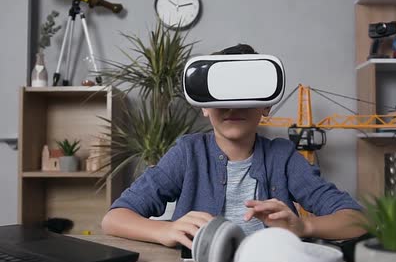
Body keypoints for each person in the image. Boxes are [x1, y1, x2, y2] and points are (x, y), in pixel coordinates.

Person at [101, 44, 365, 249]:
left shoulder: (282, 157)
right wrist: (164, 231)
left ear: (266, 104)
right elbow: (114, 219)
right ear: (204, 105)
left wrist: (302, 226)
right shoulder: (188, 153)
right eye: (223, 93)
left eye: (245, 92)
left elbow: (358, 220)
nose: (233, 106)